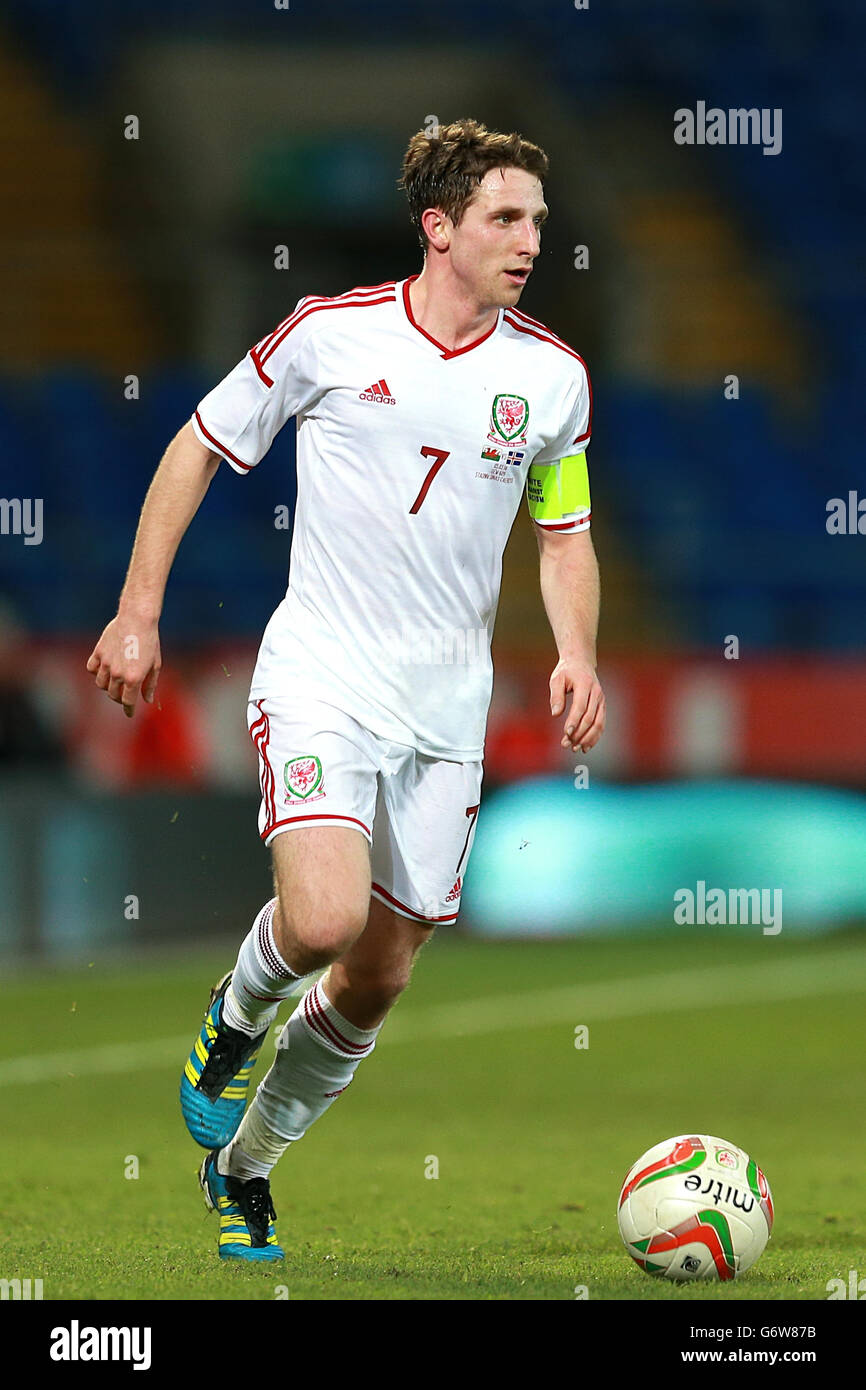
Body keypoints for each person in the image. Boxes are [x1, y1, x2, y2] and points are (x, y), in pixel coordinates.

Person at [86, 118, 605, 1261]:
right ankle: (233, 1019)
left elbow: (561, 535)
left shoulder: (550, 379)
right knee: (323, 919)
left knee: (378, 976)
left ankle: (246, 1166)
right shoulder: (329, 335)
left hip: (447, 706)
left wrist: (574, 650)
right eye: (504, 220)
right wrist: (137, 609)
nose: (529, 241)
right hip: (324, 670)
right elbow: (198, 444)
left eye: (536, 222)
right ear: (439, 228)